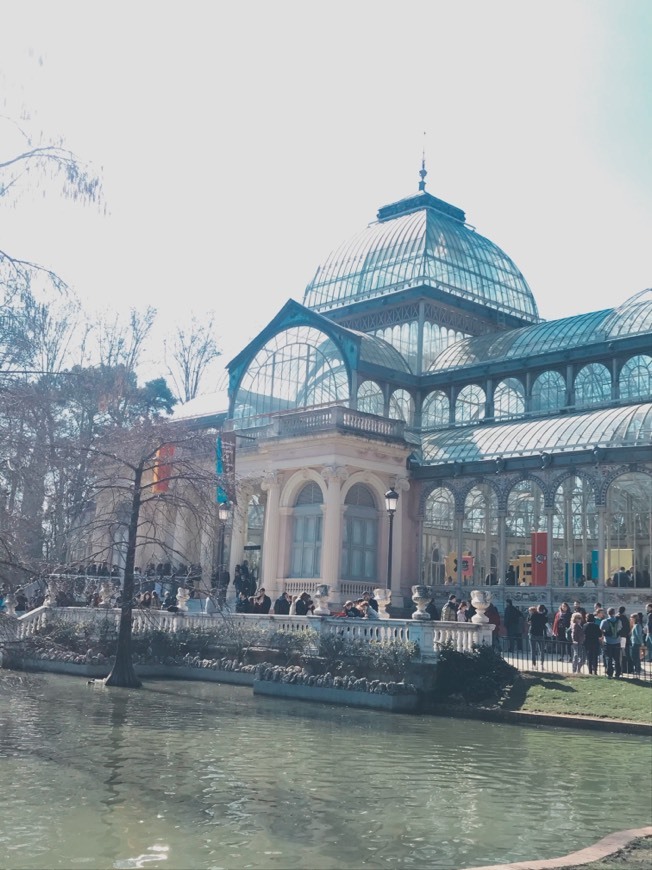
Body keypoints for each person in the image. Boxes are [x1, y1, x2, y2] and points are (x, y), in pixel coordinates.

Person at [600, 607, 622, 678]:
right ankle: (618, 673)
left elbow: (601, 629)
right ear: (614, 613)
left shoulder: (605, 621)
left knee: (608, 658)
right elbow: (620, 629)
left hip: (608, 641)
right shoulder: (619, 621)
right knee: (617, 658)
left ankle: (609, 673)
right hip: (617, 641)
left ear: (607, 613)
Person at [528, 604, 548, 670]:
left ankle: (534, 665)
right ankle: (541, 665)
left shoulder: (533, 615)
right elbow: (546, 615)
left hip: (532, 633)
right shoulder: (544, 617)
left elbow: (529, 620)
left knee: (533, 650)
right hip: (540, 634)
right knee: (541, 651)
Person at [617, 605, 632, 673]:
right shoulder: (625, 618)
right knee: (624, 653)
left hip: (618, 637)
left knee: (620, 653)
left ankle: (622, 668)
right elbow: (628, 628)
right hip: (624, 637)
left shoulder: (617, 617)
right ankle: (627, 668)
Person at [630, 612, 644, 676]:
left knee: (636, 657)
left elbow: (639, 635)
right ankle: (636, 669)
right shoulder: (635, 625)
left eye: (632, 618)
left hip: (636, 643)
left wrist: (641, 643)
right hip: (634, 643)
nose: (630, 619)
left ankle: (637, 670)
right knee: (634, 657)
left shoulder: (638, 625)